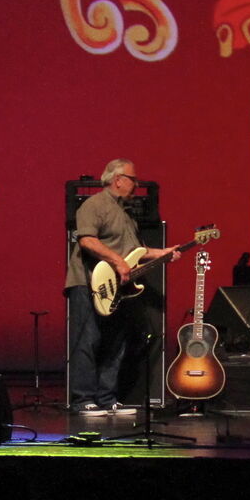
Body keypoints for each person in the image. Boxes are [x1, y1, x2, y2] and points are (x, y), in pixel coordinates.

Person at [63, 159, 170, 418]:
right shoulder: (94, 204)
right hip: (88, 282)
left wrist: (165, 253)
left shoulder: (126, 213)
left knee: (116, 342)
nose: (136, 184)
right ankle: (83, 400)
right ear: (118, 179)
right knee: (87, 340)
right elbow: (87, 240)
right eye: (133, 179)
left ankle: (106, 397)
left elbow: (136, 253)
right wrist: (118, 262)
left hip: (117, 289)